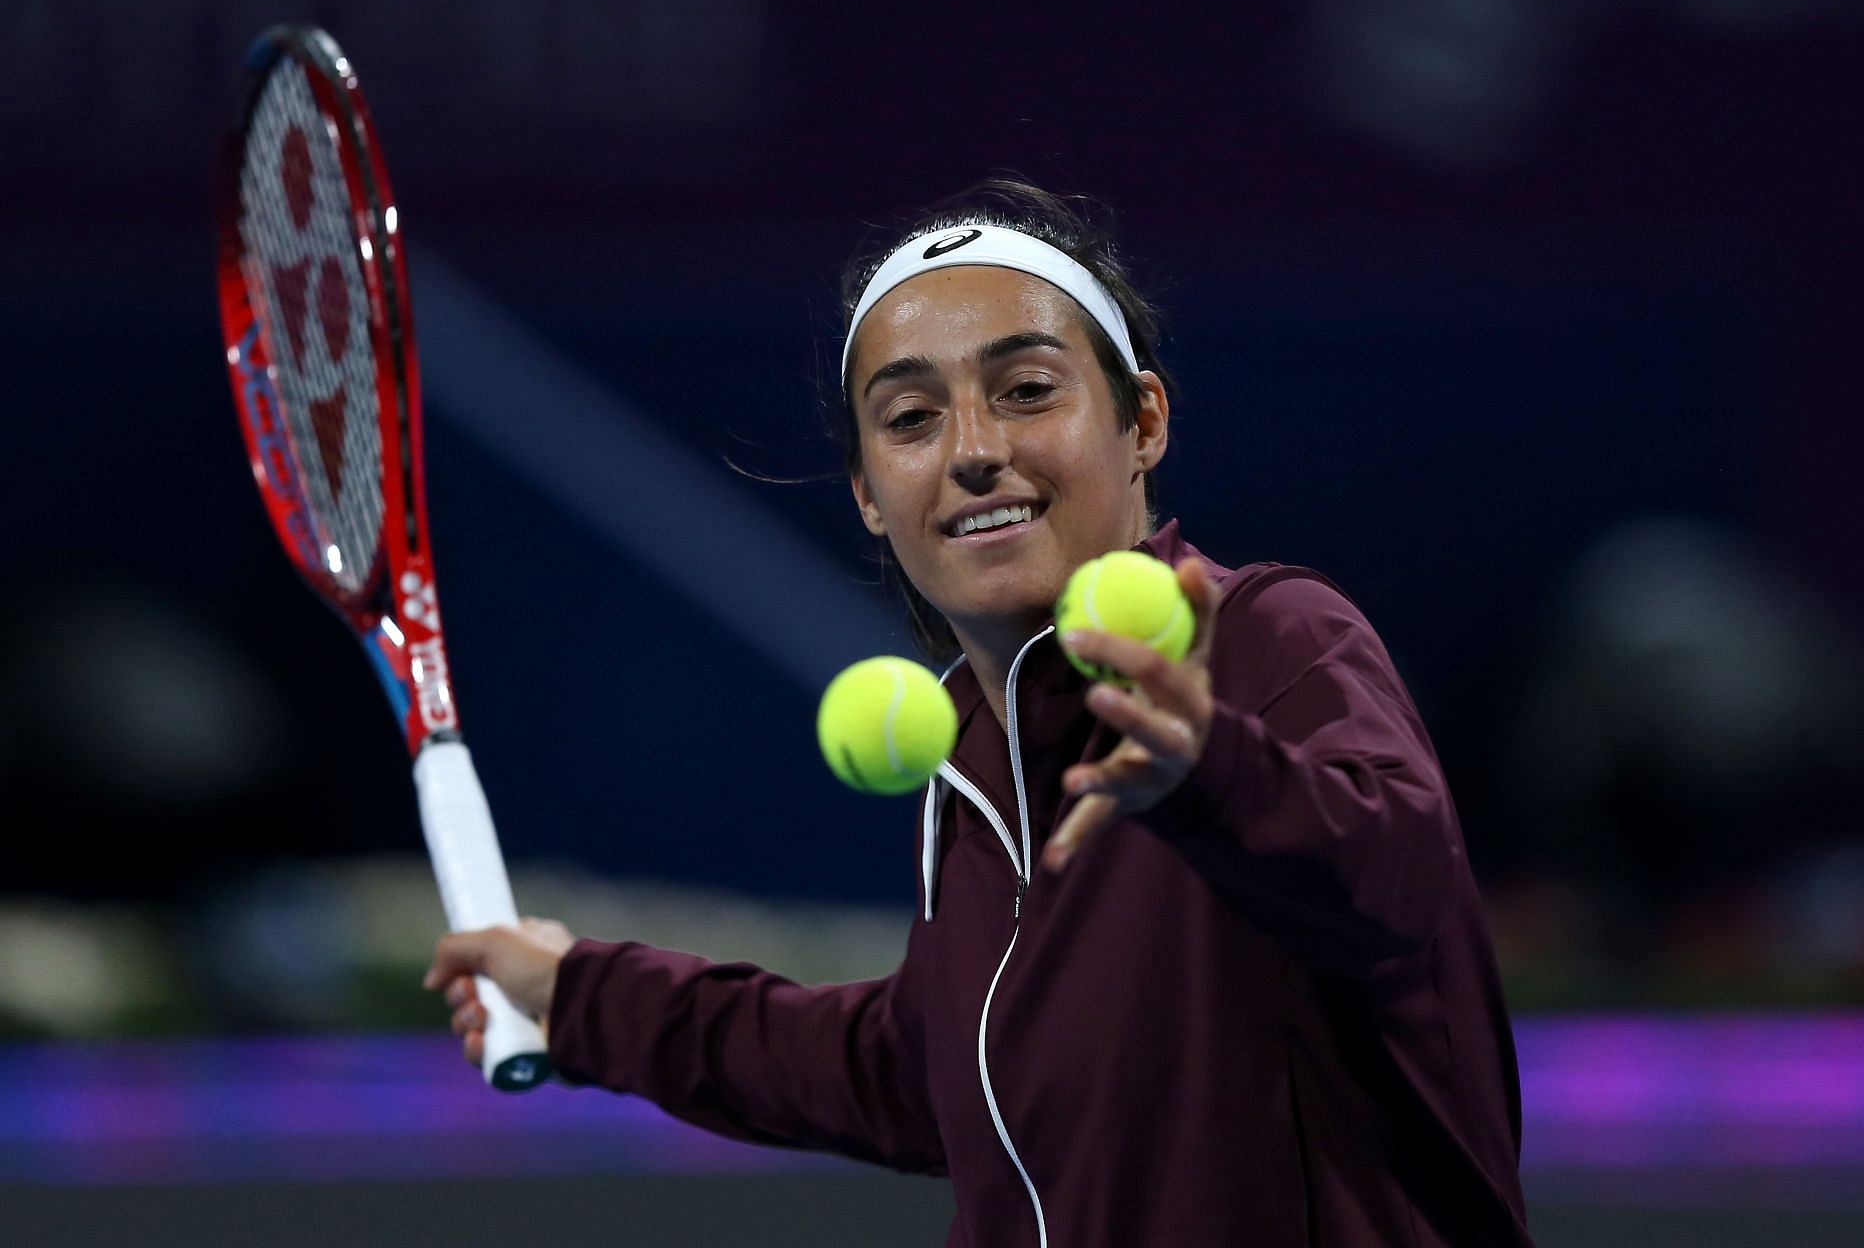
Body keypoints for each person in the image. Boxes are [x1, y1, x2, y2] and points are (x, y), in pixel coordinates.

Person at [425, 181, 1534, 1246]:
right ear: (868, 491)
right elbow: (920, 1071)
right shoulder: (972, 760)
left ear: (1142, 420)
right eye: (911, 417)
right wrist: (581, 995)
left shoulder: (1270, 637)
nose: (972, 451)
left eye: (1027, 389)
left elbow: (1395, 882)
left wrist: (1210, 777)